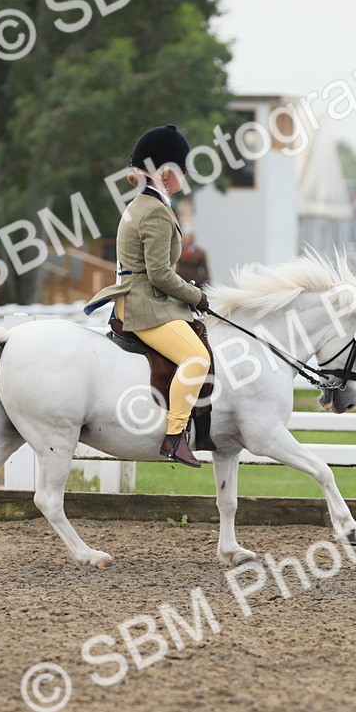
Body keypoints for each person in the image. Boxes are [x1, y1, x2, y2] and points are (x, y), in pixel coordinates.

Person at [84, 124, 210, 468]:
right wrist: (195, 295)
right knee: (197, 358)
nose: (185, 176)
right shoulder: (154, 211)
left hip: (142, 296)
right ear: (166, 173)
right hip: (144, 304)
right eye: (182, 170)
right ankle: (174, 437)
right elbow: (159, 274)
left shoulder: (144, 204)